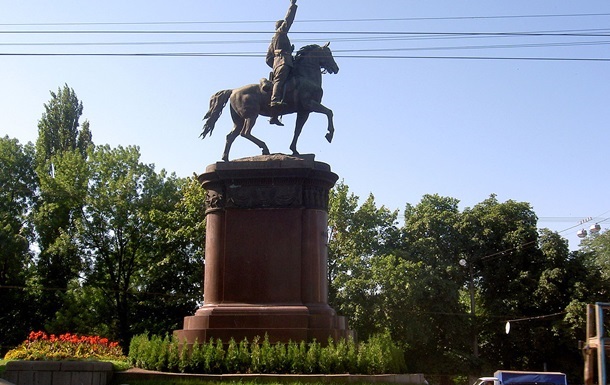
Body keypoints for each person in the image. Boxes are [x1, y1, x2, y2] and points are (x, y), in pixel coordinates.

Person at [266, 0, 297, 126]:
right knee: (280, 79)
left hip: (281, 62)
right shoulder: (280, 32)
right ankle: (274, 101)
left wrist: (274, 64)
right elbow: (288, 19)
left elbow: (268, 58)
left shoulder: (273, 41)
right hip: (283, 63)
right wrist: (292, 5)